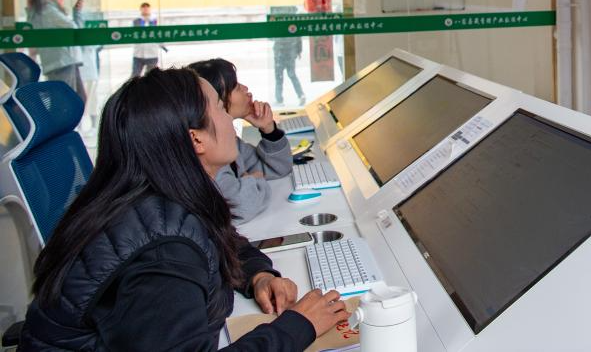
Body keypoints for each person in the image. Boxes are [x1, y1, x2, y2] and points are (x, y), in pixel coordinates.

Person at [20, 68, 349, 350]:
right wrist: (299, 325)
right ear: (196, 140)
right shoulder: (163, 255)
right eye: (219, 108)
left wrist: (258, 276)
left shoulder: (159, 199)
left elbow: (222, 239)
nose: (230, 119)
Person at [189, 59, 293, 224]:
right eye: (236, 87)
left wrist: (269, 130)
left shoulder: (231, 143)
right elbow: (241, 206)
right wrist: (255, 179)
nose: (246, 89)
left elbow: (278, 168)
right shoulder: (210, 154)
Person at [27, 0, 86, 102]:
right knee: (67, 101)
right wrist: (77, 14)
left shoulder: (38, 11)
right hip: (62, 62)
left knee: (77, 98)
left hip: (58, 62)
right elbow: (73, 28)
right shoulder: (47, 10)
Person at [131, 2, 165, 77]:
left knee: (151, 76)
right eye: (143, 7)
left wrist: (162, 45)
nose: (145, 9)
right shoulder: (136, 21)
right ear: (140, 9)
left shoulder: (156, 21)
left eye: (147, 7)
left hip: (152, 53)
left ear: (150, 9)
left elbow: (160, 34)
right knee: (135, 76)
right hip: (138, 54)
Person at [272, 36, 305, 105]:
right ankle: (301, 95)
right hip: (290, 52)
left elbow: (271, 36)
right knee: (292, 75)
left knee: (279, 78)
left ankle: (279, 100)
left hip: (279, 53)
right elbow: (298, 37)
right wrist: (299, 51)